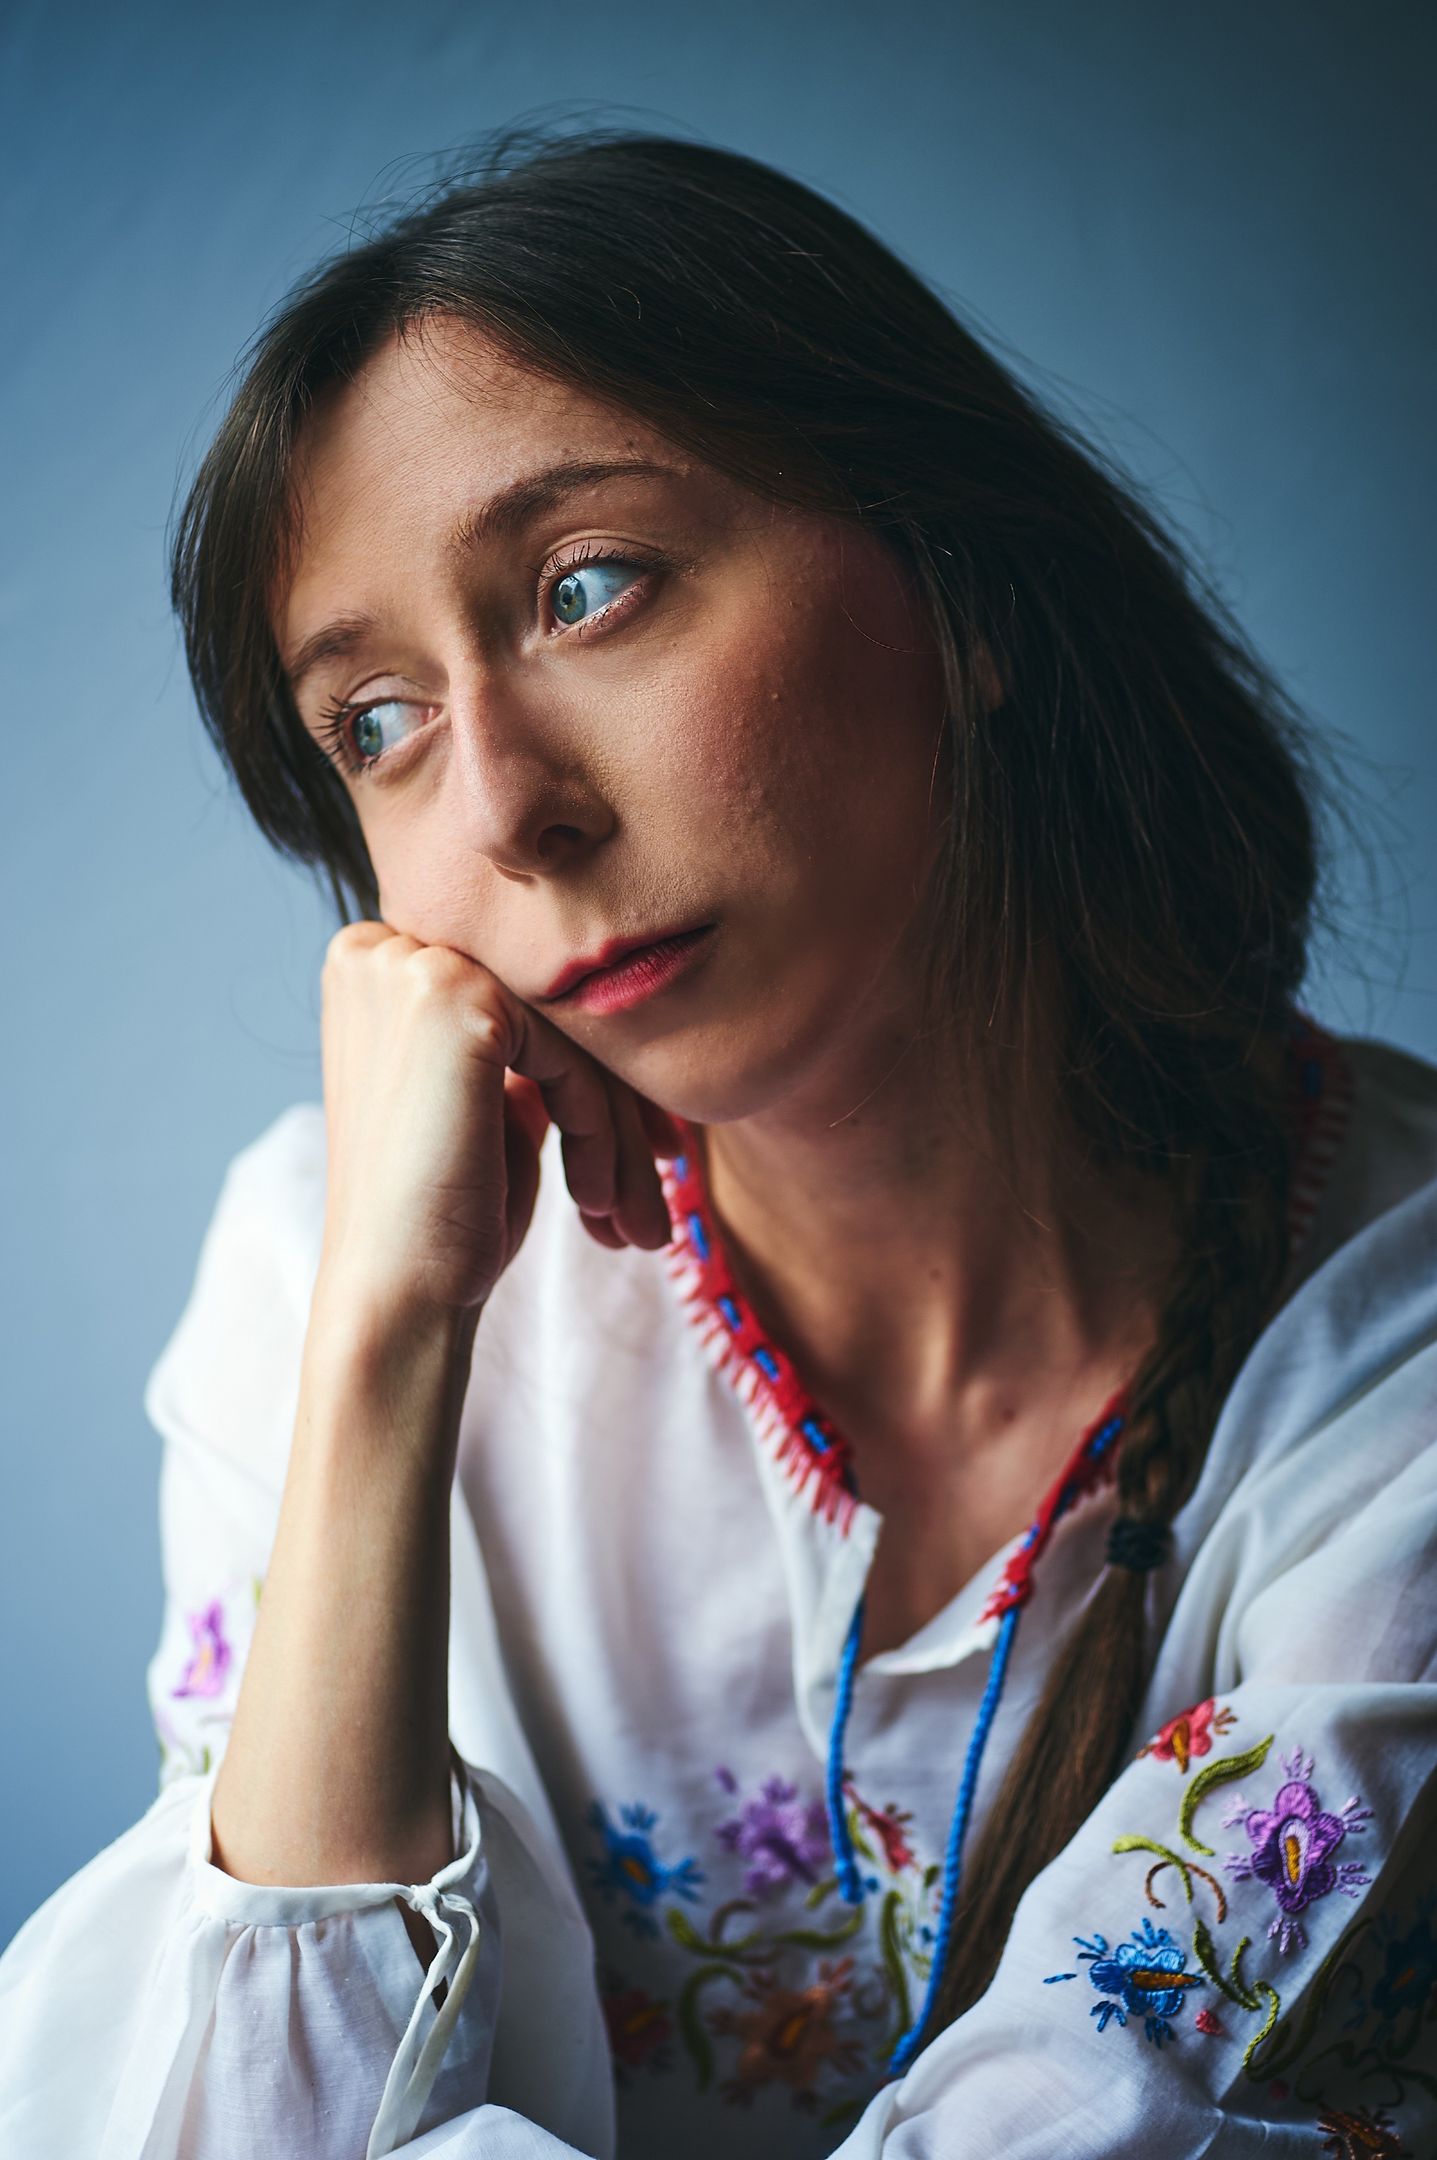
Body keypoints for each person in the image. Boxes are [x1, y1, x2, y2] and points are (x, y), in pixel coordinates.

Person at [1, 126, 1432, 2160]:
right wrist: (386, 1341)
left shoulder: (1393, 1358)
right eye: (378, 721)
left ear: (959, 590)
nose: (505, 807)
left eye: (587, 589)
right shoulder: (332, 1259)